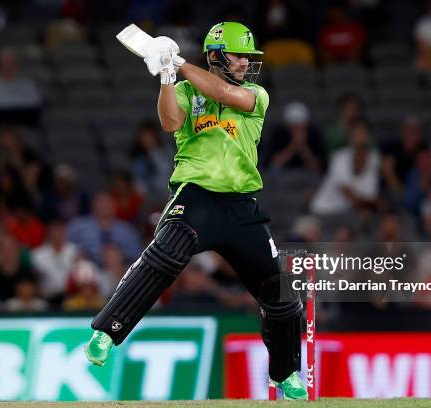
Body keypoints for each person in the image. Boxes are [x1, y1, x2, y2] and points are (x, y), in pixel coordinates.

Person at [84, 22, 308, 399]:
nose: (246, 63)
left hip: (241, 205)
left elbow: (221, 91)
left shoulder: (256, 94)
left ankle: (285, 372)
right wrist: (167, 77)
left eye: (249, 58)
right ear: (217, 56)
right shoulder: (186, 90)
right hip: (196, 197)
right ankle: (106, 333)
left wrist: (177, 61)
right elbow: (170, 121)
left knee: (280, 290)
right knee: (166, 256)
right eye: (239, 56)